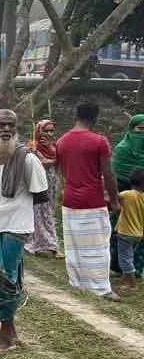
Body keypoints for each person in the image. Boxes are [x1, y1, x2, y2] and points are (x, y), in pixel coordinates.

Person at [0, 109, 48, 352]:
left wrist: (19, 212)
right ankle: (8, 333)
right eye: (0, 125)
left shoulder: (28, 159)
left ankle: (7, 335)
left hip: (16, 226)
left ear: (16, 128)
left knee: (6, 279)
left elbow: (41, 195)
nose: (6, 129)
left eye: (10, 125)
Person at [57, 101, 122, 301]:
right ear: (95, 118)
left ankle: (77, 282)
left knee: (74, 244)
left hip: (69, 198)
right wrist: (114, 199)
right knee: (97, 245)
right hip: (92, 199)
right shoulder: (99, 141)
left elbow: (62, 172)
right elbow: (108, 174)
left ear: (76, 115)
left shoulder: (62, 141)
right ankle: (101, 288)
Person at [112, 114, 144, 277]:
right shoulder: (122, 149)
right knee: (119, 232)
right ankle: (118, 266)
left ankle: (136, 268)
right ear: (131, 129)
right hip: (122, 195)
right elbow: (113, 175)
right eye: (140, 129)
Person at [25, 119, 61, 257]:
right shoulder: (32, 145)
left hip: (51, 182)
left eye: (51, 130)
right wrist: (55, 159)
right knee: (38, 210)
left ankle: (49, 243)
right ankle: (42, 242)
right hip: (37, 182)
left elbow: (58, 164)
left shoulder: (55, 145)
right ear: (38, 130)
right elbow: (43, 163)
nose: (49, 134)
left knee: (49, 210)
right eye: (45, 130)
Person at [115, 169, 144, 287]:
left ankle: (132, 285)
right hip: (138, 234)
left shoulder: (127, 195)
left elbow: (113, 197)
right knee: (129, 257)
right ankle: (124, 281)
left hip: (125, 233)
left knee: (125, 260)